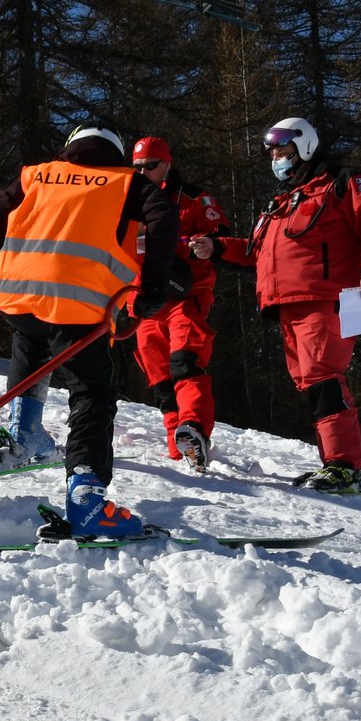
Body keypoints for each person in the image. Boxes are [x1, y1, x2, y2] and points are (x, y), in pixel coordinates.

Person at [0, 123, 185, 537]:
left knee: (30, 340)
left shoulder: (36, 174)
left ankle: (25, 431)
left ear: (71, 148)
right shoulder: (126, 183)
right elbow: (164, 218)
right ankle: (86, 496)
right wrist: (153, 288)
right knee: (92, 393)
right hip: (77, 303)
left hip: (15, 293)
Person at [189, 117, 361, 494]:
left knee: (323, 377)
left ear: (304, 146)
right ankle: (334, 465)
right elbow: (256, 253)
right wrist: (217, 247)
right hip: (287, 306)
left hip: (325, 299)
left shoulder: (340, 183)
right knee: (311, 383)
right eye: (271, 152)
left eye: (282, 151)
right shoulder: (281, 203)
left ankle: (346, 467)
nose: (275, 158)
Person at [130, 136, 228, 471]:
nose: (144, 172)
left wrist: (207, 245)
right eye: (138, 167)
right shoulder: (126, 200)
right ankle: (178, 441)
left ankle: (194, 428)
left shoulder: (193, 199)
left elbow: (222, 235)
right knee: (156, 370)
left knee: (185, 359)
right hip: (145, 297)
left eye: (151, 166)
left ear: (167, 164)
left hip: (186, 294)